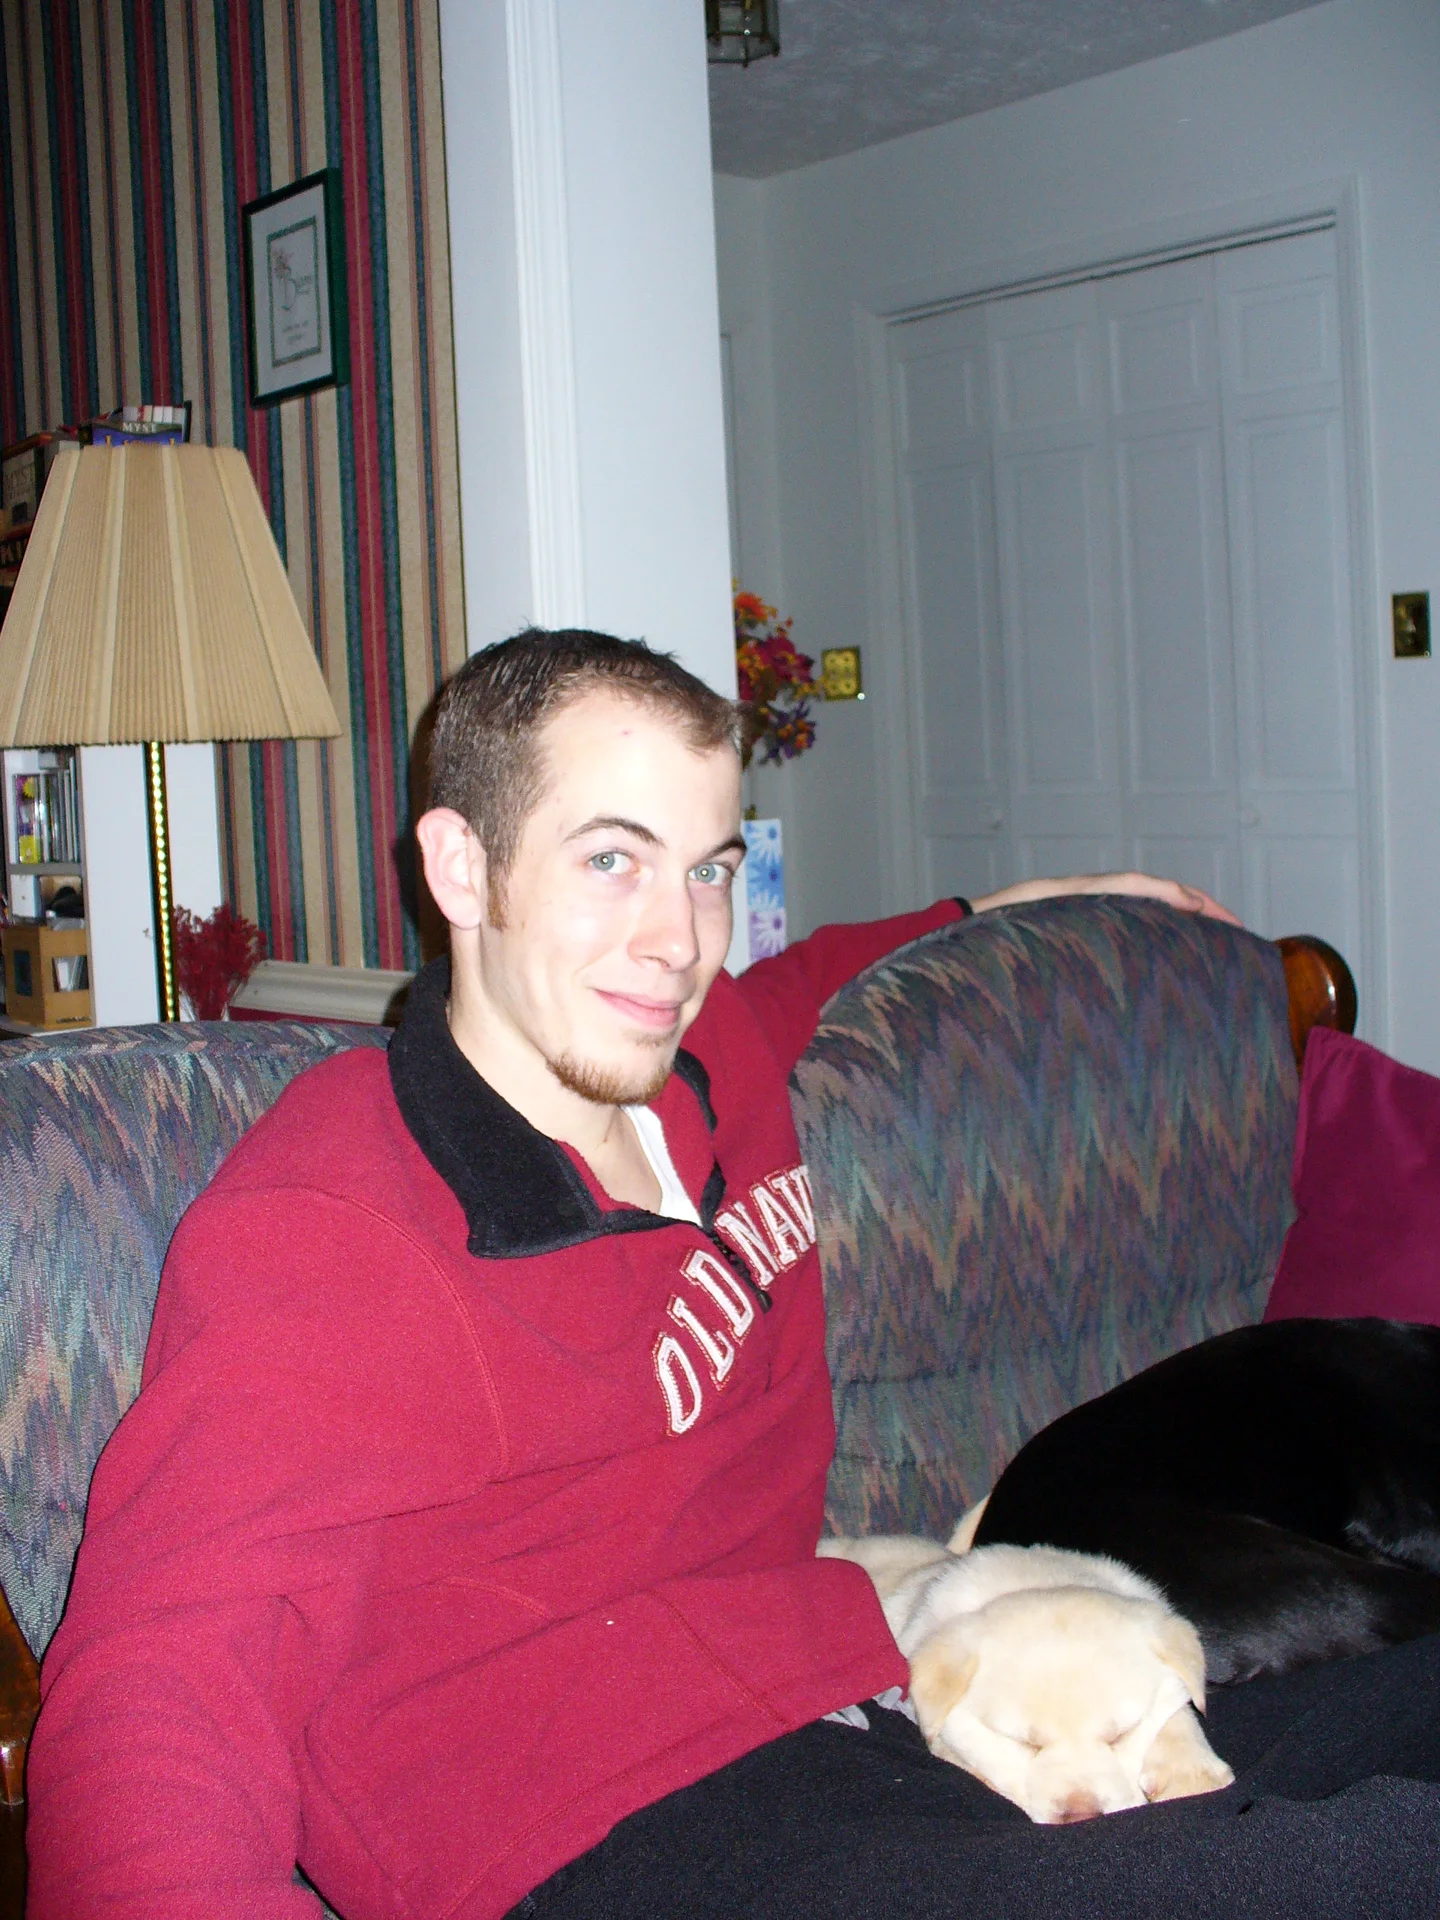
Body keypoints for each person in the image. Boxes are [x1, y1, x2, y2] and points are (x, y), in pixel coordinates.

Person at [29, 630, 1440, 1919]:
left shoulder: (703, 1058)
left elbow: (799, 978)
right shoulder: (329, 1222)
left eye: (706, 869)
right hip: (585, 1823)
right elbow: (161, 1681)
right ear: (461, 868)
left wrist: (1017, 900)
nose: (677, 941)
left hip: (857, 1698)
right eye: (611, 860)